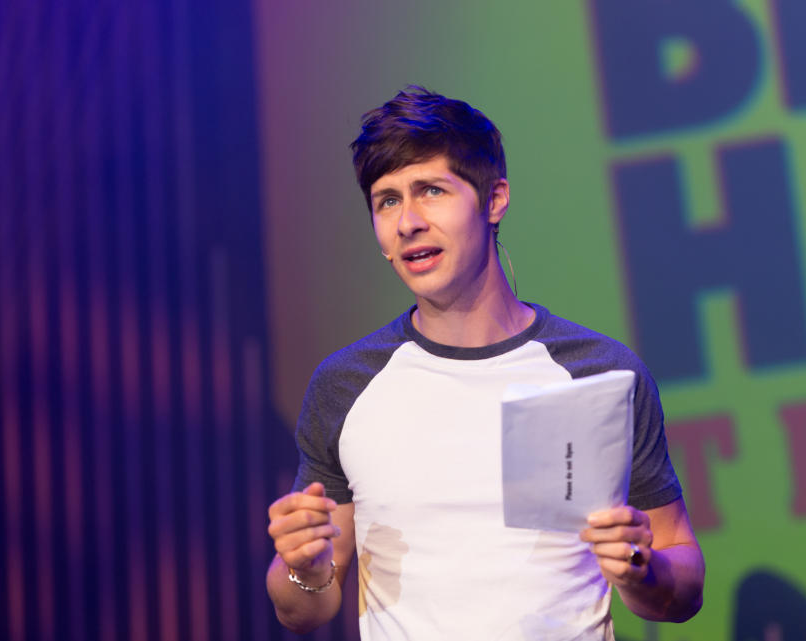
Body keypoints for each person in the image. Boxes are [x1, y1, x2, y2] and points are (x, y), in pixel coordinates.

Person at [266, 86, 704, 640]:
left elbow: (682, 578)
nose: (408, 223)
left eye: (431, 191)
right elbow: (305, 608)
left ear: (494, 199)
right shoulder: (348, 384)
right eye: (387, 200)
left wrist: (642, 570)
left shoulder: (596, 371)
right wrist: (302, 568)